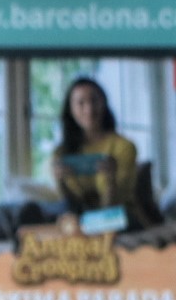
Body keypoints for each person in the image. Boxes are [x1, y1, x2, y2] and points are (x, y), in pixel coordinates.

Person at [50, 77, 142, 216]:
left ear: (104, 103)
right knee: (43, 209)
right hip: (77, 215)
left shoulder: (124, 147)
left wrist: (110, 181)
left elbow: (111, 207)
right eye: (81, 103)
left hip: (118, 214)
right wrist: (60, 183)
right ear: (70, 109)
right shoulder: (61, 152)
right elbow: (69, 205)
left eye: (94, 101)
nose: (89, 109)